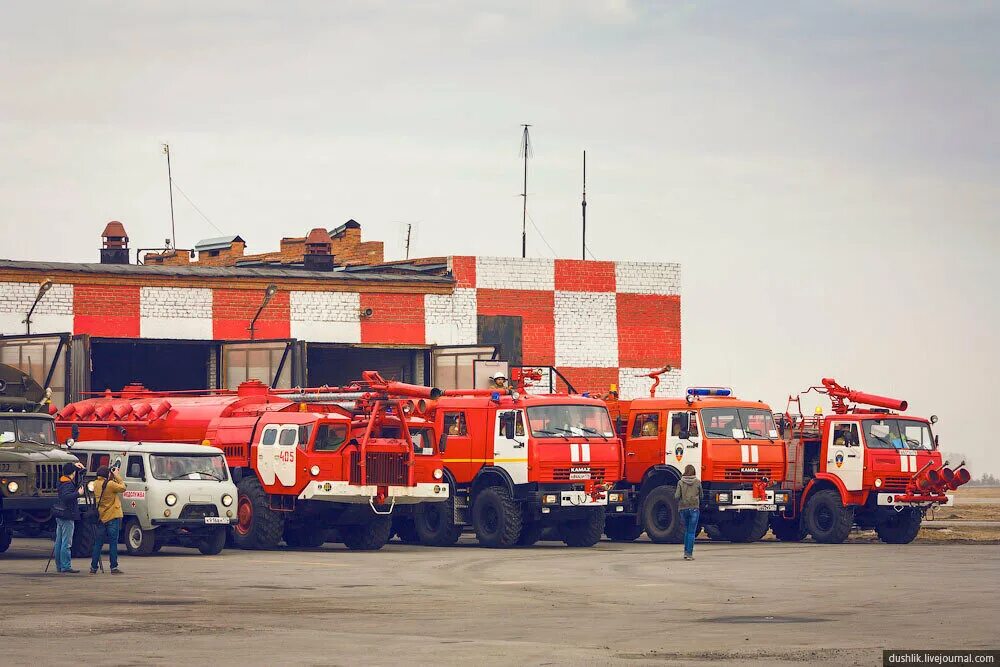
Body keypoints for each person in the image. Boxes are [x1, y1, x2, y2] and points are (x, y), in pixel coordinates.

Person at [90, 464, 126, 575]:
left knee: (98, 543)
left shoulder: (95, 484)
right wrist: (117, 475)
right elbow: (123, 487)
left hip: (101, 517)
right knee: (113, 543)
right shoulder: (110, 484)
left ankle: (93, 567)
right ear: (107, 474)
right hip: (112, 516)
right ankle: (113, 567)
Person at [53, 461, 85, 574]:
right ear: (72, 473)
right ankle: (66, 566)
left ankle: (59, 565)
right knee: (67, 543)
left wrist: (77, 469)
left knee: (59, 542)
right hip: (68, 514)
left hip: (60, 514)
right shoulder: (68, 484)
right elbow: (67, 497)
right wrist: (78, 494)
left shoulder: (62, 480)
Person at [674, 464, 703, 561]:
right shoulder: (698, 482)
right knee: (691, 532)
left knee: (686, 531)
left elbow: (677, 496)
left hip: (683, 508)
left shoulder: (680, 482)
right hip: (694, 508)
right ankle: (689, 554)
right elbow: (701, 496)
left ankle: (685, 552)